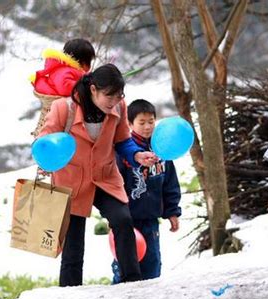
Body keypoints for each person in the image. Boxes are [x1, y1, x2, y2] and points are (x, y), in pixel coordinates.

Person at [38, 64, 158, 286]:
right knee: (73, 247)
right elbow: (44, 142)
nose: (113, 101)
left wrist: (137, 155)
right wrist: (47, 160)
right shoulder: (63, 108)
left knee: (123, 221)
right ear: (93, 89)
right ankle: (70, 293)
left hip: (104, 177)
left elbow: (123, 141)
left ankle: (132, 283)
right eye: (108, 95)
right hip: (71, 183)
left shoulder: (119, 108)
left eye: (119, 94)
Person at [111, 99, 182, 284]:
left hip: (150, 219)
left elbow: (170, 182)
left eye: (151, 121)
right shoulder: (124, 153)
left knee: (152, 264)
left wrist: (172, 212)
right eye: (141, 122)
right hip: (127, 220)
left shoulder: (161, 149)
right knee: (124, 266)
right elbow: (115, 184)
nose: (147, 127)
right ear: (130, 124)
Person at [30, 38, 95, 97]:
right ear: (84, 63)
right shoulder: (65, 71)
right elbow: (65, 87)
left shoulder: (65, 68)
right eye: (90, 61)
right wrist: (85, 86)